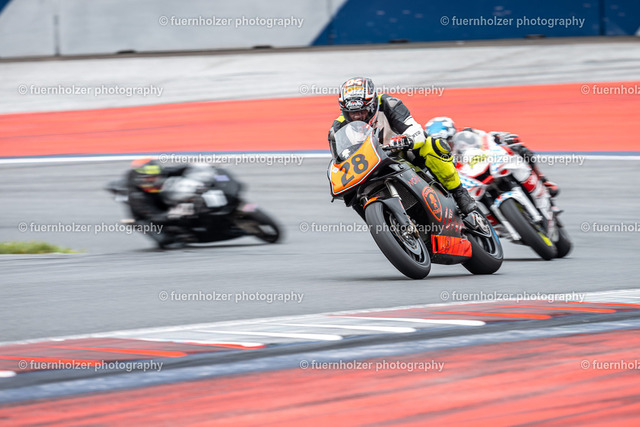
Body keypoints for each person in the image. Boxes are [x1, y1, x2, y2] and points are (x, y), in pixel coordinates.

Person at [328, 77, 476, 214]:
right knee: (352, 193)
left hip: (401, 154)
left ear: (373, 105)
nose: (358, 117)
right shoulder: (337, 128)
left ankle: (459, 193)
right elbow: (339, 161)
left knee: (432, 144)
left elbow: (415, 129)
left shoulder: (389, 104)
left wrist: (407, 139)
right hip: (370, 168)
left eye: (362, 111)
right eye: (352, 113)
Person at [424, 117, 559, 197]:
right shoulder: (438, 158)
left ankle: (543, 180)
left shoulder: (467, 133)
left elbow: (487, 137)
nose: (446, 146)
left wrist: (501, 138)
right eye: (441, 144)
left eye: (448, 141)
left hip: (487, 163)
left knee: (518, 147)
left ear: (454, 134)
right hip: (469, 179)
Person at [126, 158, 194, 248]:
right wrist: (175, 213)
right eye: (150, 178)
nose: (155, 180)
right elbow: (156, 217)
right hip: (147, 217)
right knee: (168, 241)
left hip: (158, 199)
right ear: (140, 179)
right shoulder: (137, 198)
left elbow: (173, 170)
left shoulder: (154, 171)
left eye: (156, 176)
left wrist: (192, 165)